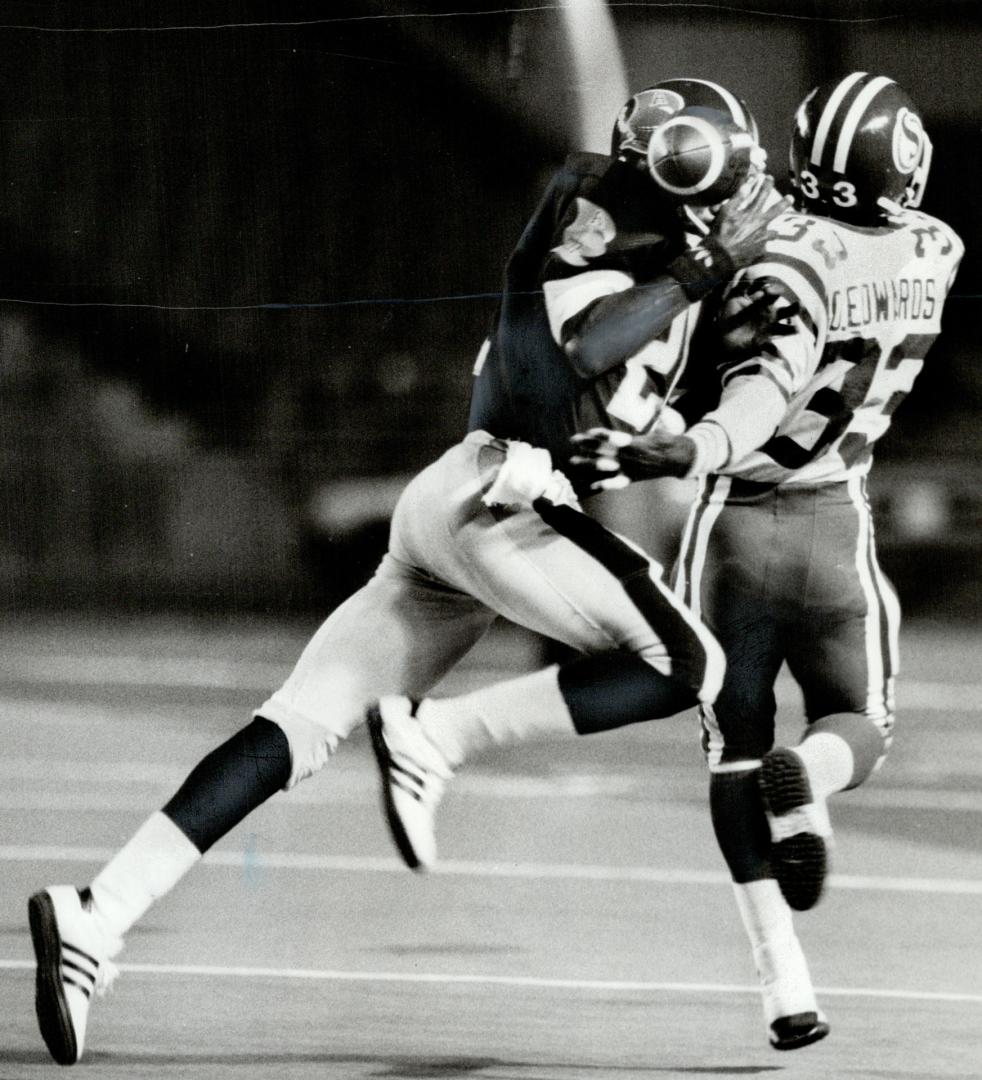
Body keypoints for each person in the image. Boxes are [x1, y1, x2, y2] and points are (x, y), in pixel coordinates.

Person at [28, 79, 784, 1066]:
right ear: (683, 170)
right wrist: (710, 262)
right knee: (691, 663)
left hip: (458, 506)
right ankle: (438, 737)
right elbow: (585, 341)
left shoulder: (618, 230)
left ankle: (98, 911)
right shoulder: (611, 228)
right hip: (499, 502)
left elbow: (600, 356)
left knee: (294, 730)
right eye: (721, 178)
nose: (739, 200)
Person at [569, 72, 963, 1046]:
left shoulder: (787, 258)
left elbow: (768, 381)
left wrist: (694, 445)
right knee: (858, 726)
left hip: (738, 524)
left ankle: (784, 984)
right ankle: (813, 779)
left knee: (730, 755)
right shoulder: (938, 248)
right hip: (835, 519)